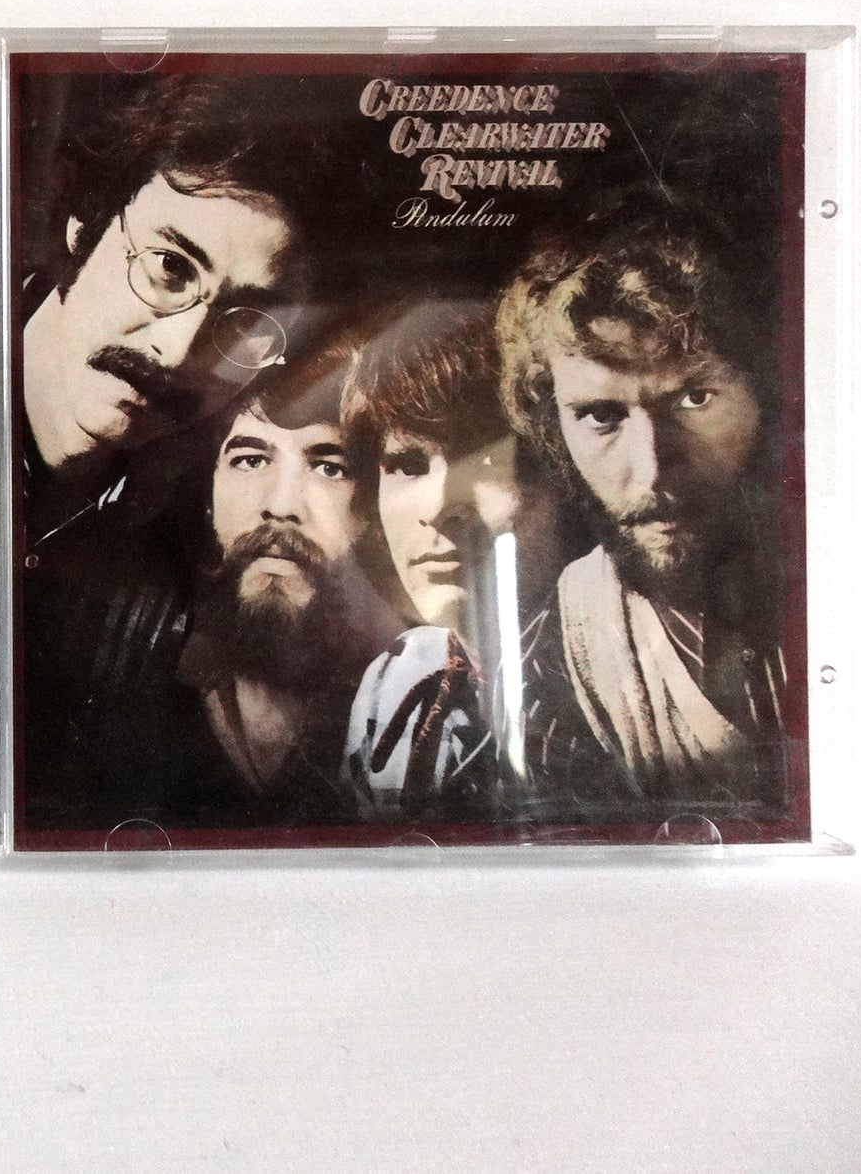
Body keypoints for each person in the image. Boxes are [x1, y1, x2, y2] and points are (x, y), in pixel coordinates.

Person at [18, 79, 328, 832]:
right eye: (169, 268)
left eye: (242, 322)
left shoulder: (214, 530)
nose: (180, 350)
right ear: (80, 226)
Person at [496, 217, 789, 820]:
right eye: (602, 416)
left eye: (694, 398)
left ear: (762, 393)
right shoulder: (544, 671)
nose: (652, 467)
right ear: (555, 429)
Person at [338, 302, 553, 820]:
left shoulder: (613, 670)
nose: (437, 509)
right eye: (407, 465)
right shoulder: (397, 683)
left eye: (484, 459)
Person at [168, 345, 394, 825]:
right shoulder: (144, 676)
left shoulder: (407, 689)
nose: (282, 505)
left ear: (370, 515)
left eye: (330, 467)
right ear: (208, 497)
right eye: (250, 460)